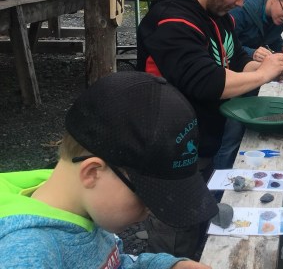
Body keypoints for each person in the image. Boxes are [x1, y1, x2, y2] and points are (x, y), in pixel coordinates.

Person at [136, 0, 283, 257]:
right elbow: (205, 81)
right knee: (172, 238)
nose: (242, 2)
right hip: (169, 150)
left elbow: (233, 60)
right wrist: (262, 76)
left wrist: (261, 67)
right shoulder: (172, 20)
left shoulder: (219, 17)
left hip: (202, 143)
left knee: (197, 226)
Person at [0, 71, 215, 268]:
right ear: (92, 172)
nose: (151, 210)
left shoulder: (87, 206)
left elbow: (115, 263)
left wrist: (169, 267)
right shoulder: (27, 254)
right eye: (146, 195)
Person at [213, 0, 283, 169]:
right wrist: (251, 52)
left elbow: (272, 35)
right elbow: (223, 44)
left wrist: (281, 45)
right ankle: (219, 173)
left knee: (243, 126)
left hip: (251, 75)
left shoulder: (278, 17)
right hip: (231, 78)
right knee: (231, 132)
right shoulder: (241, 10)